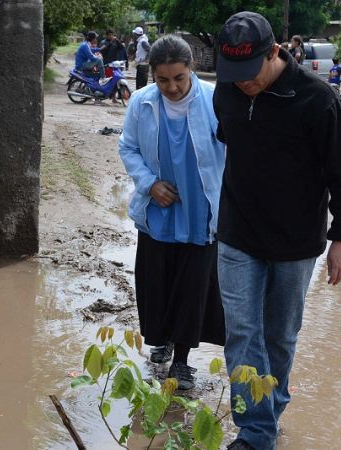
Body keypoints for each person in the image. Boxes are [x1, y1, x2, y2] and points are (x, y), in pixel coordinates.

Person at [212, 12, 341, 450]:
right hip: (238, 232)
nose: (243, 82)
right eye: (233, 73)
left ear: (274, 52)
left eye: (250, 71)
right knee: (242, 332)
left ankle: (270, 411)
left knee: (279, 335)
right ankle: (256, 433)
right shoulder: (227, 90)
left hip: (295, 242)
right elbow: (229, 141)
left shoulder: (317, 100)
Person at [118, 34, 226, 391]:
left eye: (179, 78)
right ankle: (161, 340)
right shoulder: (142, 102)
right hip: (159, 210)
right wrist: (150, 184)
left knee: (193, 288)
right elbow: (128, 148)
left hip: (200, 211)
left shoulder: (215, 99)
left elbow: (234, 149)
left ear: (191, 69)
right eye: (163, 80)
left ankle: (181, 360)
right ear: (153, 76)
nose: (172, 87)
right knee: (157, 282)